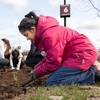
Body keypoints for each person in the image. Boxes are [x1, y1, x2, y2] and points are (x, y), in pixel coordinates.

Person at [18, 11, 99, 86]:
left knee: (52, 82)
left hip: (82, 54)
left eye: (26, 35)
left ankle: (93, 75)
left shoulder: (49, 35)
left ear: (33, 29)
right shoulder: (46, 33)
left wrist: (38, 72)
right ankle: (88, 69)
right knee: (54, 77)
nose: (27, 38)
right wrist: (37, 68)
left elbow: (53, 62)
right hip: (76, 54)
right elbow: (50, 57)